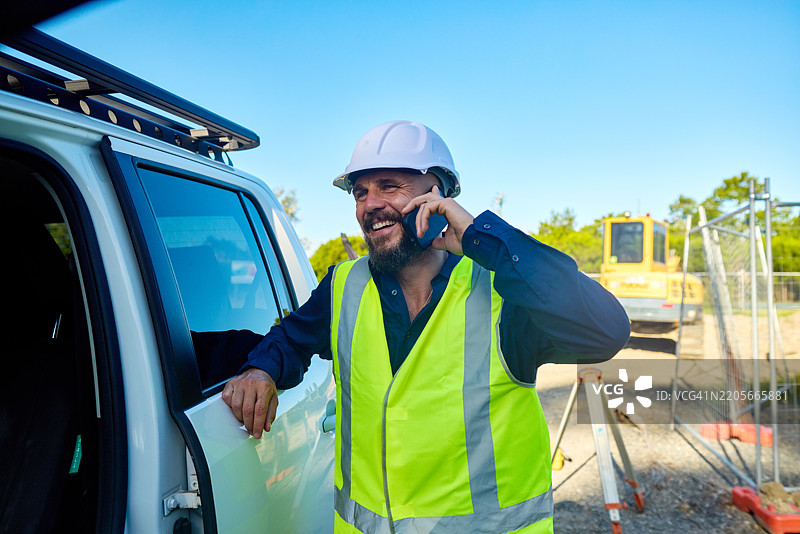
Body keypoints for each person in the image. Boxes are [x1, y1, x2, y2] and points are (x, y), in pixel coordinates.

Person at [223, 120, 630, 533]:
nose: (369, 205)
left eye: (388, 186)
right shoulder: (345, 285)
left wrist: (479, 236)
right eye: (360, 192)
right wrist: (262, 369)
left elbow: (606, 330)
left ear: (436, 196)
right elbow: (290, 338)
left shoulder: (502, 294)